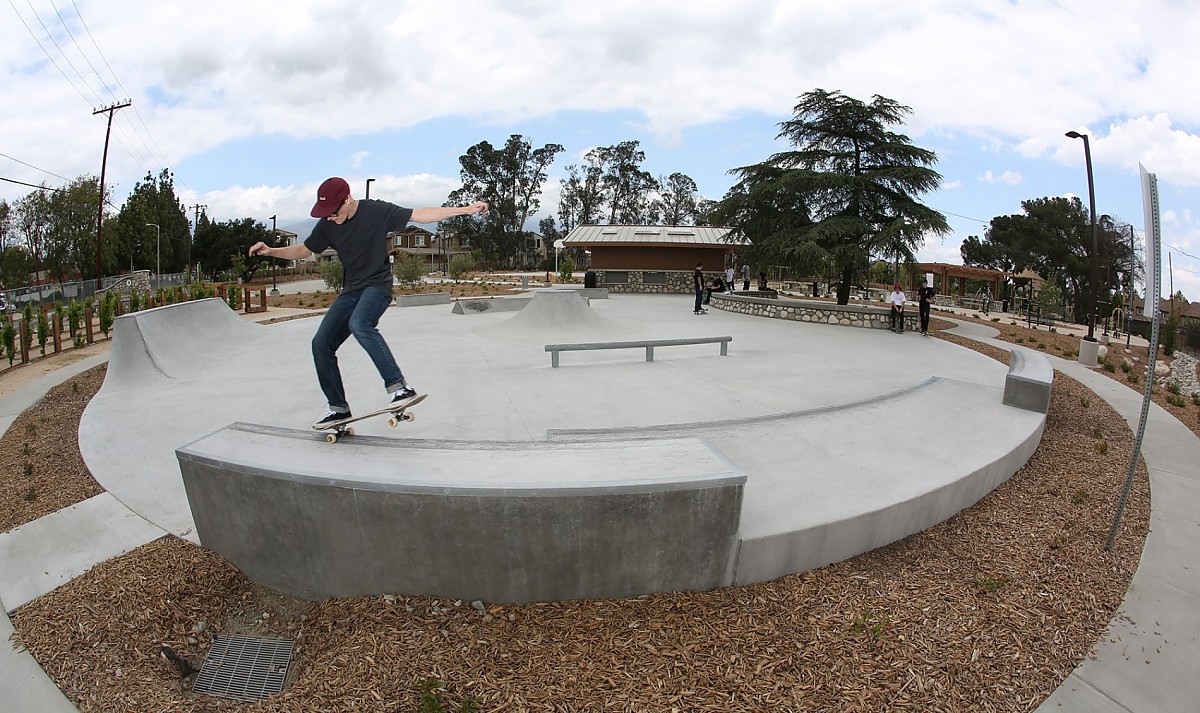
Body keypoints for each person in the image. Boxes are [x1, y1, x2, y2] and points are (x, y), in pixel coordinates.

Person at [247, 176, 488, 427]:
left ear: (348, 199)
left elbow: (421, 215)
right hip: (351, 290)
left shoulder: (377, 211)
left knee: (359, 323)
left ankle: (400, 388)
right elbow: (304, 250)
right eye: (326, 214)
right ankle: (338, 408)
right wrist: (271, 251)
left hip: (377, 286)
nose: (330, 218)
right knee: (321, 343)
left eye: (333, 212)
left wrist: (466, 210)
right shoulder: (328, 223)